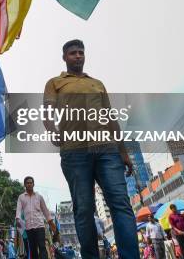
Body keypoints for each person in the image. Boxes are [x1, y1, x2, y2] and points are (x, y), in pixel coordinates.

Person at [43, 40, 139, 259]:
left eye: (81, 52)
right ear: (64, 57)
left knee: (121, 205)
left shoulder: (97, 83)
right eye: (73, 53)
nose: (78, 56)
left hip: (107, 151)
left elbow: (110, 117)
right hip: (74, 153)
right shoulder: (55, 83)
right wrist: (52, 130)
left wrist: (123, 152)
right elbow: (47, 111)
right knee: (84, 210)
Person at [15, 176, 56, 259]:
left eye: (31, 183)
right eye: (27, 183)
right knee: (33, 249)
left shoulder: (39, 197)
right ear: (25, 185)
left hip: (40, 226)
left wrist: (51, 223)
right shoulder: (21, 197)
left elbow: (45, 211)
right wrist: (18, 219)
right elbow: (18, 209)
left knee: (42, 246)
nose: (29, 184)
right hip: (29, 227)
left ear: (33, 184)